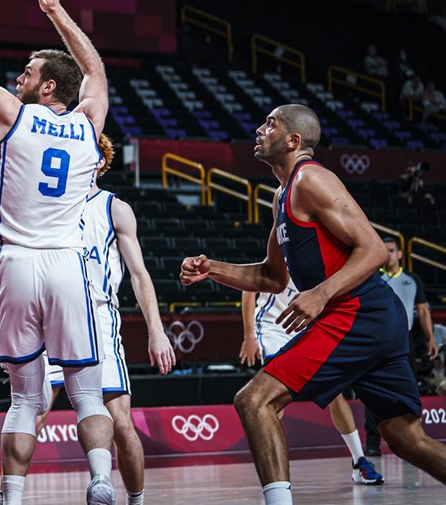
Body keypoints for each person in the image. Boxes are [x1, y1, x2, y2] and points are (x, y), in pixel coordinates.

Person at [179, 104, 446, 504]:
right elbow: (273, 277)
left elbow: (373, 248)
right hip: (370, 316)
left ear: (293, 140)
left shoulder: (312, 179)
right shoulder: (281, 196)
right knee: (405, 438)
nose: (259, 128)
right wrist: (212, 269)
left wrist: (321, 294)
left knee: (254, 400)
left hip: (358, 310)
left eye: (270, 123)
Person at [0, 0, 114, 505]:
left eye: (28, 71)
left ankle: (12, 498)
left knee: (23, 399)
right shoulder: (88, 124)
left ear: (48, 86)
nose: (19, 77)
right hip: (67, 264)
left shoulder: (13, 116)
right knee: (87, 394)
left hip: (17, 264)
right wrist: (57, 11)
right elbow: (98, 71)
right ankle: (101, 483)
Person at [37, 134, 176, 505]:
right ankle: (10, 494)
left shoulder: (114, 207)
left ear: (100, 162)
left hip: (98, 318)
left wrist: (156, 331)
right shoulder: (47, 201)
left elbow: (140, 274)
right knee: (33, 410)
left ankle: (136, 500)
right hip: (51, 317)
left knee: (121, 421)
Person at [240, 282, 383, 484]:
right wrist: (248, 336)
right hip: (274, 326)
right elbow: (249, 289)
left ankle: (359, 461)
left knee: (334, 393)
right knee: (272, 394)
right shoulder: (280, 251)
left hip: (305, 326)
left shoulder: (321, 259)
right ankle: (274, 472)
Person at [364, 236, 439, 455]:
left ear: (399, 254)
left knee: (409, 389)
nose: (387, 254)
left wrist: (430, 338)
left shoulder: (411, 278)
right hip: (377, 339)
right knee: (373, 391)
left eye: (391, 250)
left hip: (405, 340)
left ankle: (414, 438)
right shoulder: (373, 277)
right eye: (384, 250)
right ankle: (372, 444)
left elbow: (423, 310)